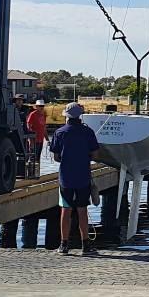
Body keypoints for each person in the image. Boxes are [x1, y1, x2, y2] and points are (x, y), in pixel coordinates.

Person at [49, 102, 99, 256]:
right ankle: (85, 245)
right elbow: (96, 155)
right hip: (83, 176)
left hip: (66, 178)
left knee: (66, 210)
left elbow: (56, 156)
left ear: (67, 117)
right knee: (82, 210)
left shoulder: (59, 132)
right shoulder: (88, 132)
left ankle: (64, 245)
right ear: (80, 116)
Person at [25, 99, 48, 167]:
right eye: (40, 106)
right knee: (32, 157)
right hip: (34, 139)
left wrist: (47, 139)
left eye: (42, 106)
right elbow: (28, 125)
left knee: (38, 157)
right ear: (36, 106)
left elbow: (44, 127)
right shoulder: (33, 114)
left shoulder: (43, 115)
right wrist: (30, 139)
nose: (41, 107)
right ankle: (31, 173)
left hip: (41, 139)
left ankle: (37, 173)